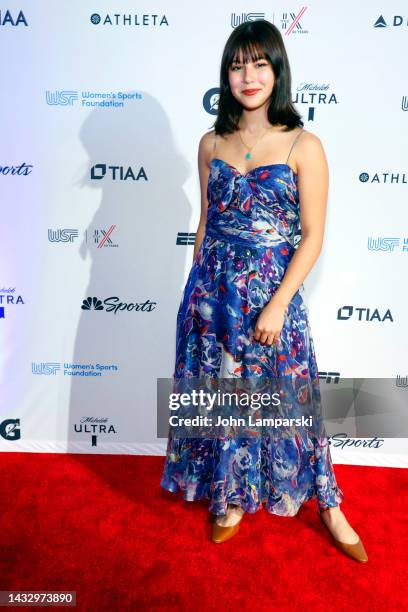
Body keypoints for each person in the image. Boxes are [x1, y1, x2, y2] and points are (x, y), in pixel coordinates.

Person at [160, 19, 368, 563]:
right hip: (211, 291)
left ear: (277, 70)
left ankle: (328, 503)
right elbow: (208, 220)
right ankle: (228, 498)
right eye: (237, 64)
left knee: (292, 398)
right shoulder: (211, 143)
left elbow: (314, 235)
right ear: (225, 75)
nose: (248, 76)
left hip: (272, 292)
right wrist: (192, 292)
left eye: (259, 63)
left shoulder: (305, 144)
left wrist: (278, 302)